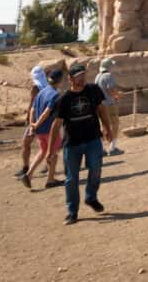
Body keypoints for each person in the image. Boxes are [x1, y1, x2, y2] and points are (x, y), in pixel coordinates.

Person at [51, 63, 112, 225]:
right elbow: (56, 125)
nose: (82, 78)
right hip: (72, 144)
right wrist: (51, 150)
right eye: (78, 76)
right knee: (71, 179)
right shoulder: (64, 99)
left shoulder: (93, 90)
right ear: (70, 79)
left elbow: (101, 110)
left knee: (96, 169)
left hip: (93, 139)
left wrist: (107, 128)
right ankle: (72, 211)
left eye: (83, 75)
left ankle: (91, 197)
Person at [22, 68, 64, 189]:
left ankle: (29, 174)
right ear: (60, 81)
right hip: (50, 129)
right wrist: (37, 124)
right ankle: (50, 180)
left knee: (43, 151)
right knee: (53, 153)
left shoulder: (41, 92)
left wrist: (33, 124)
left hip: (39, 130)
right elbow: (47, 112)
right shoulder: (55, 95)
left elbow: (33, 109)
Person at [95, 57, 123, 156]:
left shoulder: (98, 76)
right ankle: (112, 148)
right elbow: (110, 89)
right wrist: (117, 95)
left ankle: (101, 148)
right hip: (109, 104)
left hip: (100, 105)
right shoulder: (108, 76)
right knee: (115, 124)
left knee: (103, 126)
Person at [15, 82, 40, 180]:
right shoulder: (35, 92)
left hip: (39, 122)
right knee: (25, 144)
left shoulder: (41, 91)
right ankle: (26, 168)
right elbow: (31, 105)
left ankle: (49, 169)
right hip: (32, 122)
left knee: (45, 147)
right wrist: (28, 118)